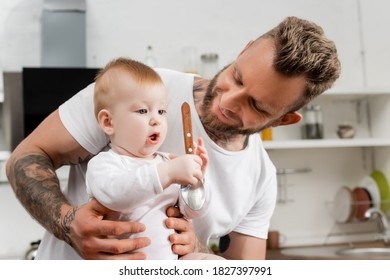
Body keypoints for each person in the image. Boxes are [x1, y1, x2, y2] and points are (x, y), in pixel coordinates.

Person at [6, 16, 341, 260]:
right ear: (245, 50)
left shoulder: (261, 177)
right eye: (237, 77)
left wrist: (195, 248)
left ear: (284, 120)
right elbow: (26, 157)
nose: (228, 100)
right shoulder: (137, 93)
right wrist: (68, 224)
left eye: (255, 105)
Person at [86, 57, 221, 260]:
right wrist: (169, 173)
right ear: (108, 122)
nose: (156, 119)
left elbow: (193, 212)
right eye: (142, 110)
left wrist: (196, 182)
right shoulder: (104, 164)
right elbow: (117, 195)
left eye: (161, 111)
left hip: (172, 261)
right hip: (126, 263)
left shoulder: (167, 162)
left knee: (213, 263)